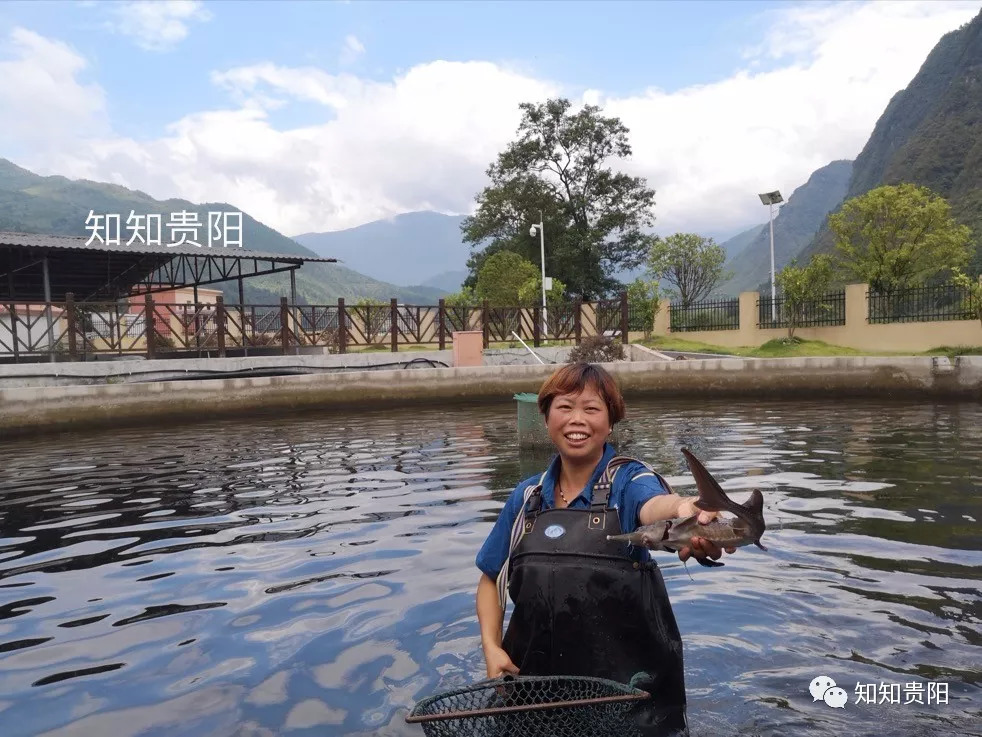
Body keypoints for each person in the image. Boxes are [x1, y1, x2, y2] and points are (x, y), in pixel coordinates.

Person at [475, 362, 735, 736]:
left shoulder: (630, 481)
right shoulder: (526, 498)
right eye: (564, 407)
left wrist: (688, 512)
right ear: (546, 418)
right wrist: (491, 646)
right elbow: (489, 581)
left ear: (610, 423)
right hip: (533, 695)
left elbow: (657, 505)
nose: (577, 419)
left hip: (627, 700)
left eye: (592, 409)